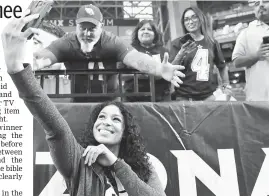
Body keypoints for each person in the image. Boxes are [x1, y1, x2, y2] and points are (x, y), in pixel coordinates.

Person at [1, 11, 166, 196]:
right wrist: (17, 67)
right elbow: (54, 125)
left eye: (116, 119)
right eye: (101, 117)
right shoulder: (78, 162)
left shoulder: (144, 167)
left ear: (126, 131)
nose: (106, 122)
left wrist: (116, 164)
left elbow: (136, 59)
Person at [34, 4, 184, 102]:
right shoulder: (67, 42)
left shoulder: (112, 41)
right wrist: (33, 61)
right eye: (82, 28)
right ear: (76, 25)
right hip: (79, 102)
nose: (86, 33)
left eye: (92, 28)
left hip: (110, 102)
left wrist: (158, 68)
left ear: (101, 27)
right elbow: (44, 57)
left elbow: (137, 59)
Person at [169, 6, 231, 101]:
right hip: (184, 97)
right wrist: (181, 54)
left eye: (194, 17)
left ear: (201, 18)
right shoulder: (178, 43)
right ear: (183, 23)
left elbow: (222, 67)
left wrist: (226, 85)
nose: (190, 21)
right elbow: (170, 69)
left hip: (209, 97)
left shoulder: (212, 43)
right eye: (186, 19)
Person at [123, 20, 171, 102]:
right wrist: (142, 75)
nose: (146, 31)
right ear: (137, 33)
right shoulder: (128, 50)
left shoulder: (164, 51)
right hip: (132, 98)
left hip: (160, 98)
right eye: (142, 29)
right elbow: (121, 75)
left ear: (155, 34)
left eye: (149, 29)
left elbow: (169, 72)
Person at [232, 0, 269, 101]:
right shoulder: (246, 32)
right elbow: (236, 62)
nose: (261, 5)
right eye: (257, 4)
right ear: (254, 11)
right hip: (258, 99)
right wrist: (256, 56)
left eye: (265, 1)